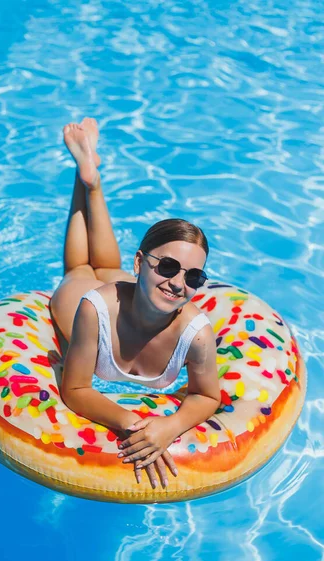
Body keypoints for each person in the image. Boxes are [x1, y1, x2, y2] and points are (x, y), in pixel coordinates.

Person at [50, 117, 221, 490]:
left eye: (193, 276)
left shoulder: (197, 334)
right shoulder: (92, 308)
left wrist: (170, 426)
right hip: (97, 301)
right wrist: (134, 424)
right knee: (83, 268)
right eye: (169, 267)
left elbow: (207, 395)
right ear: (142, 264)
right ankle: (85, 181)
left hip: (133, 290)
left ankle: (91, 176)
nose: (178, 283)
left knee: (108, 266)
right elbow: (76, 390)